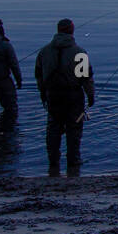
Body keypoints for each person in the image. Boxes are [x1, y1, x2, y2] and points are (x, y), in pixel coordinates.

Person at [34, 18, 96, 169]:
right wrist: (91, 96)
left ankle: (53, 162)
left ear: (58, 30)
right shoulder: (79, 52)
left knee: (53, 129)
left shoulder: (44, 51)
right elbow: (86, 78)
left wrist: (43, 93)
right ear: (72, 30)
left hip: (53, 96)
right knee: (74, 129)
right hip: (73, 96)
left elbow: (39, 75)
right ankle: (73, 161)